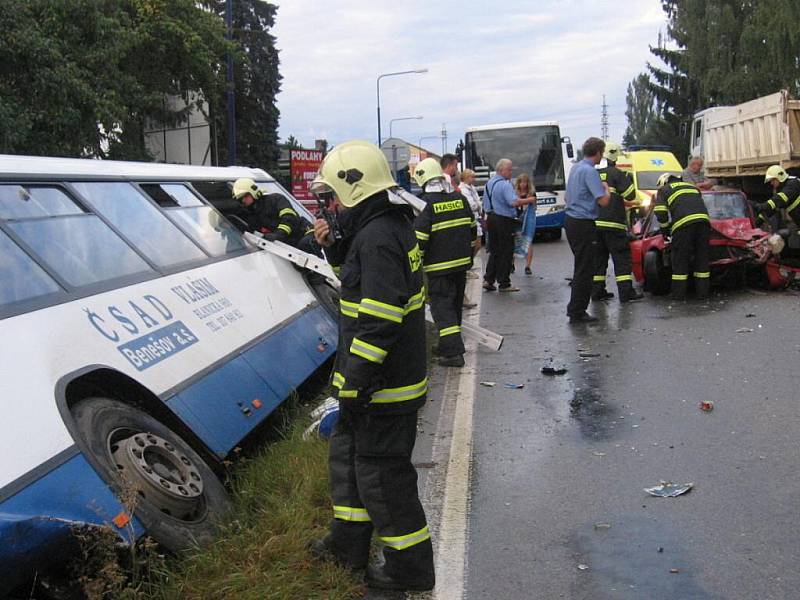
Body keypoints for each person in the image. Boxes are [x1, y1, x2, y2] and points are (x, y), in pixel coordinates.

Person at [308, 140, 435, 592]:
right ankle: (348, 545)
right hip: (372, 383)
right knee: (351, 465)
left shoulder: (379, 236)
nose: (332, 205)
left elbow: (379, 321)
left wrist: (356, 387)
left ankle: (409, 570)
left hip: (383, 387)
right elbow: (363, 284)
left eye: (335, 196)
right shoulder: (380, 227)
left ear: (355, 188)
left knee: (384, 478)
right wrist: (335, 251)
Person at [413, 157, 477, 367]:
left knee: (443, 309)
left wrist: (414, 268)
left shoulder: (425, 205)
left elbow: (420, 241)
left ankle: (453, 354)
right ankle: (447, 344)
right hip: (461, 265)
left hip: (438, 269)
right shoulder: (460, 199)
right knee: (455, 306)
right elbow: (473, 230)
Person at [564, 138, 610, 323]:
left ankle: (575, 308)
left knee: (580, 265)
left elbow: (567, 197)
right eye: (602, 152)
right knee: (585, 268)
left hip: (571, 220)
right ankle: (577, 311)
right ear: (598, 152)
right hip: (584, 223)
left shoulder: (575, 168)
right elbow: (603, 201)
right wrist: (607, 189)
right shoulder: (590, 171)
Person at [593, 141, 643, 303]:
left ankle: (598, 292)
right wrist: (627, 180)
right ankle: (626, 293)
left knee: (599, 260)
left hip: (595, 224)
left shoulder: (593, 174)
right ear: (615, 157)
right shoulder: (617, 173)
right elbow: (630, 195)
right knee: (621, 259)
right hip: (614, 224)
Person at [653, 173, 711, 300]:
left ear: (664, 182)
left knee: (680, 259)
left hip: (683, 226)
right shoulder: (692, 187)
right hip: (704, 223)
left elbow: (660, 212)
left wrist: (665, 230)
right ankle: (703, 293)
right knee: (702, 259)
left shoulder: (664, 190)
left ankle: (678, 295)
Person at [483, 158, 525, 292]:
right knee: (506, 251)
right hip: (503, 220)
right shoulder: (505, 184)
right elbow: (513, 202)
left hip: (491, 218)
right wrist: (529, 200)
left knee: (494, 251)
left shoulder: (489, 183)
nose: (511, 172)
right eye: (509, 169)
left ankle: (489, 280)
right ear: (501, 170)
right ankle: (504, 283)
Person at [231, 178, 305, 245]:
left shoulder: (275, 199)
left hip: (303, 234)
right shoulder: (251, 213)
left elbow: (289, 217)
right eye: (241, 199)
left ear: (253, 192)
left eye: (245, 196)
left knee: (305, 244)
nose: (243, 200)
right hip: (286, 243)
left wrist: (278, 234)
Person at [755, 165, 800, 229]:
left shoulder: (793, 183)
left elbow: (781, 199)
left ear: (779, 177)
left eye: (773, 180)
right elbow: (776, 207)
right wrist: (760, 219)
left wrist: (765, 205)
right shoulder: (782, 188)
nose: (771, 183)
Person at [514, 173, 538, 275]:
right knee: (515, 241)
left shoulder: (532, 193)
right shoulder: (514, 193)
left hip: (527, 219)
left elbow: (534, 205)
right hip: (517, 219)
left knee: (528, 241)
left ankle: (528, 266)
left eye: (525, 182)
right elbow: (515, 203)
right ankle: (512, 264)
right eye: (521, 182)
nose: (523, 184)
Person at [460, 169, 483, 254]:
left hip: (476, 218)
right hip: (469, 219)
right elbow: (472, 205)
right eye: (472, 177)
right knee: (475, 244)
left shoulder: (472, 188)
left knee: (478, 244)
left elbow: (478, 202)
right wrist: (478, 205)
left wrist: (478, 205)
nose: (474, 179)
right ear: (466, 177)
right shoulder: (463, 190)